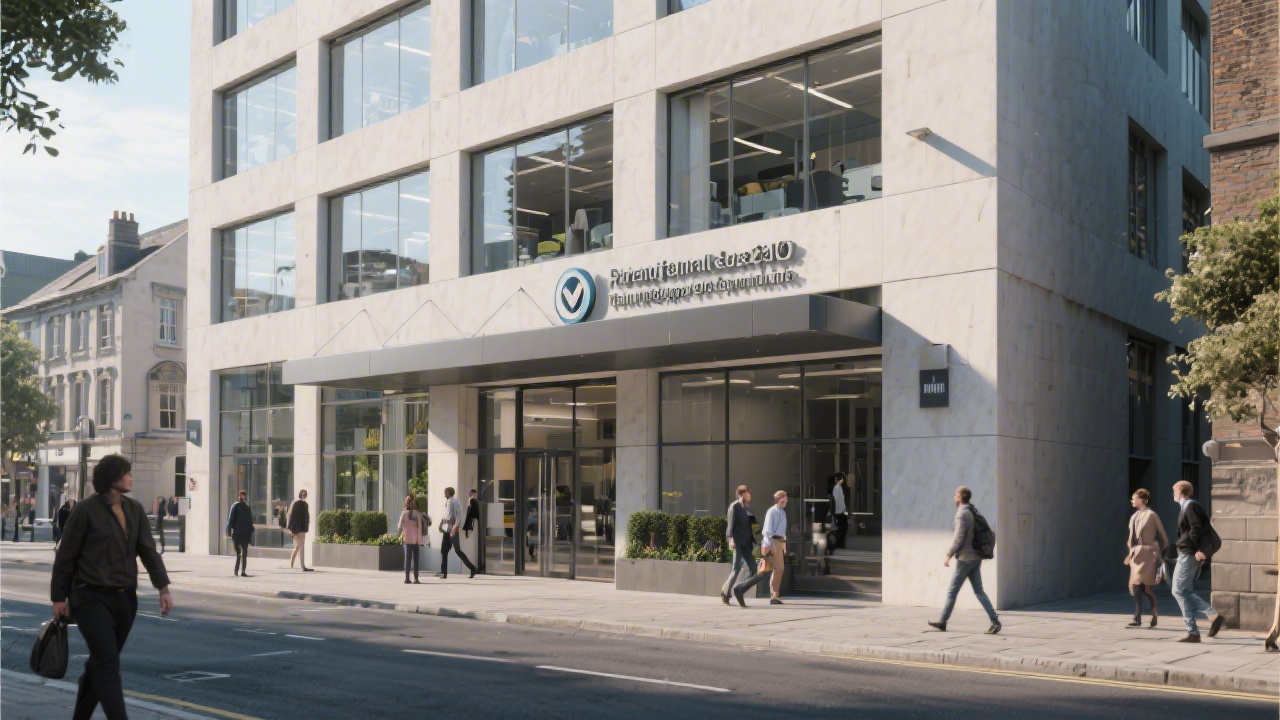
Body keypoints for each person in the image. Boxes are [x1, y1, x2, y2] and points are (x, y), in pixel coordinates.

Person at [51, 454, 173, 720]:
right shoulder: (85, 510)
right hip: (90, 598)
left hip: (125, 600)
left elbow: (148, 550)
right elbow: (66, 556)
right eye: (126, 473)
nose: (131, 477)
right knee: (107, 664)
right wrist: (59, 598)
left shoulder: (134, 509)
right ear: (112, 478)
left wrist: (163, 587)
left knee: (99, 664)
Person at [929, 486, 1001, 634]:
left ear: (961, 497)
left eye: (956, 494)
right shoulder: (972, 511)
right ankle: (995, 621)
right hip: (975, 557)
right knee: (979, 591)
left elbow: (958, 538)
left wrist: (948, 554)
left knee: (952, 592)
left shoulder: (962, 514)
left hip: (965, 559)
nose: (954, 496)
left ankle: (942, 622)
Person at [1170, 480, 1223, 642]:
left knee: (1178, 590)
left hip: (1188, 553)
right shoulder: (1188, 506)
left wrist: (1194, 549)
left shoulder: (1190, 506)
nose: (1173, 494)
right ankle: (1198, 626)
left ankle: (1201, 623)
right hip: (1189, 552)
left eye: (1174, 491)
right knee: (1183, 591)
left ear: (1180, 491)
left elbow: (1196, 528)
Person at [732, 490, 789, 607]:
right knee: (771, 570)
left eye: (786, 497)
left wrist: (783, 545)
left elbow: (782, 531)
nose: (785, 500)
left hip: (777, 543)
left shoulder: (782, 512)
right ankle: (742, 589)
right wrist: (770, 546)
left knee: (770, 570)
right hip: (771, 543)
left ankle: (743, 589)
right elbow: (767, 531)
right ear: (778, 499)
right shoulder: (772, 512)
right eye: (783, 497)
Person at [1125, 488, 1168, 628]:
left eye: (1134, 497)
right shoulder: (1134, 517)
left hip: (1148, 554)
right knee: (1138, 587)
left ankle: (1141, 617)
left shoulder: (1152, 515)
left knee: (1140, 585)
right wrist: (1129, 553)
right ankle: (1146, 615)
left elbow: (1163, 536)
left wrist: (1158, 552)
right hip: (1135, 555)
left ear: (1141, 499)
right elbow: (1131, 538)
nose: (1132, 500)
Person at [720, 485, 757, 605]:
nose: (750, 495)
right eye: (748, 493)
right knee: (736, 568)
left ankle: (739, 588)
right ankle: (726, 592)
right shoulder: (734, 507)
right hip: (737, 542)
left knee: (753, 568)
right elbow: (730, 525)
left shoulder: (748, 508)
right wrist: (731, 539)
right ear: (741, 494)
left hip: (747, 543)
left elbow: (753, 525)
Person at [437, 487, 477, 579]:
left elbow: (459, 515)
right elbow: (446, 515)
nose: (444, 492)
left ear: (449, 492)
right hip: (447, 529)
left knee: (458, 551)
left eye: (445, 491)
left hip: (452, 530)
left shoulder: (455, 501)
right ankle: (444, 573)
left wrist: (455, 527)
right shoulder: (447, 502)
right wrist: (441, 524)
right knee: (444, 550)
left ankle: (472, 568)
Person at [398, 495, 427, 584]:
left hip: (406, 539)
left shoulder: (403, 513)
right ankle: (416, 578)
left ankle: (407, 578)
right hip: (415, 540)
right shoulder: (417, 513)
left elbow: (399, 526)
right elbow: (420, 528)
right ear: (414, 503)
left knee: (407, 559)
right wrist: (420, 540)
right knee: (416, 559)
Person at [225, 490, 255, 577]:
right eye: (241, 496)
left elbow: (230, 520)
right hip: (240, 533)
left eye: (242, 497)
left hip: (240, 533)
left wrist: (229, 531)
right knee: (241, 553)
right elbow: (231, 520)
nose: (241, 498)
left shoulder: (239, 507)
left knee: (241, 553)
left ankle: (239, 571)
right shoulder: (241, 507)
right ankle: (240, 570)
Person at [287, 489, 313, 572]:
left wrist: (307, 524)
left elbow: (307, 516)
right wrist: (290, 529)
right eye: (303, 494)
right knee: (299, 546)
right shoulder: (295, 503)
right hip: (295, 529)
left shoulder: (305, 505)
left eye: (305, 494)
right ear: (300, 495)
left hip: (302, 529)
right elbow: (289, 516)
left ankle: (298, 565)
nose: (304, 496)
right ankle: (299, 565)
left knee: (299, 546)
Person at [828, 472, 850, 555]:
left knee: (843, 528)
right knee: (841, 528)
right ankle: (837, 543)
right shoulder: (836, 488)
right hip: (838, 511)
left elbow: (842, 500)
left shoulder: (840, 488)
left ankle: (839, 543)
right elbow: (837, 501)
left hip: (841, 511)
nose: (835, 480)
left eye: (836, 479)